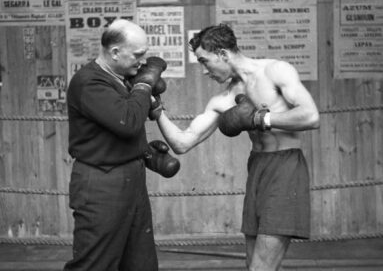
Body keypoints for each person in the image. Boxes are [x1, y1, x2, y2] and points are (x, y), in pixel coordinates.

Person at [153, 24, 320, 271]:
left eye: (204, 61)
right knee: (254, 264)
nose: (203, 70)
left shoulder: (275, 71)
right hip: (257, 168)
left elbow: (311, 116)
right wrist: (156, 109)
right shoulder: (223, 100)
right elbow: (182, 143)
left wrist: (260, 119)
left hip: (285, 167)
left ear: (223, 53)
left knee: (261, 267)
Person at [64, 19, 179, 271]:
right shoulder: (89, 82)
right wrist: (144, 84)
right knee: (95, 264)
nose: (142, 61)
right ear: (115, 52)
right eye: (138, 55)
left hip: (132, 179)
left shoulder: (121, 78)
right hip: (101, 183)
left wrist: (144, 152)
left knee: (141, 263)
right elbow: (127, 121)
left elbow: (122, 131)